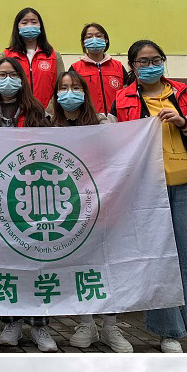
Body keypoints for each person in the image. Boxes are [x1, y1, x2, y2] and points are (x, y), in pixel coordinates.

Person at [113, 39, 187, 353]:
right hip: (148, 194)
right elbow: (109, 139)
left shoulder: (184, 94)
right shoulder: (121, 99)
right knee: (157, 261)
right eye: (142, 62)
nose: (150, 66)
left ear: (164, 61)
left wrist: (185, 122)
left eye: (155, 60)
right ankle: (168, 333)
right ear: (132, 66)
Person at [49, 69, 130, 352]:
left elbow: (120, 156)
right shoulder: (47, 126)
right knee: (77, 262)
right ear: (56, 94)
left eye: (75, 87)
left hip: (102, 203)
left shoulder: (103, 123)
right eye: (63, 87)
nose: (69, 93)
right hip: (65, 207)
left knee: (107, 262)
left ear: (85, 92)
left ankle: (111, 325)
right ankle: (85, 322)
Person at [0, 55, 58, 352]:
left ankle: (40, 326)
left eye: (12, 74)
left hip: (32, 193)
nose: (6, 79)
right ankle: (12, 321)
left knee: (37, 258)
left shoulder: (36, 110)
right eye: (0, 74)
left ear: (21, 78)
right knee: (7, 260)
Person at [5, 7, 60, 108]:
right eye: (24, 23)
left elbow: (60, 87)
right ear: (17, 27)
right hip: (17, 113)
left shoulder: (54, 55)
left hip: (46, 115)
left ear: (40, 26)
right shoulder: (7, 55)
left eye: (34, 22)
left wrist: (49, 112)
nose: (29, 26)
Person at [70, 22, 125, 115]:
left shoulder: (118, 66)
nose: (94, 39)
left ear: (106, 40)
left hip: (117, 120)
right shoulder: (75, 68)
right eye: (89, 37)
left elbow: (128, 93)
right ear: (83, 42)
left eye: (98, 36)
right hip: (88, 120)